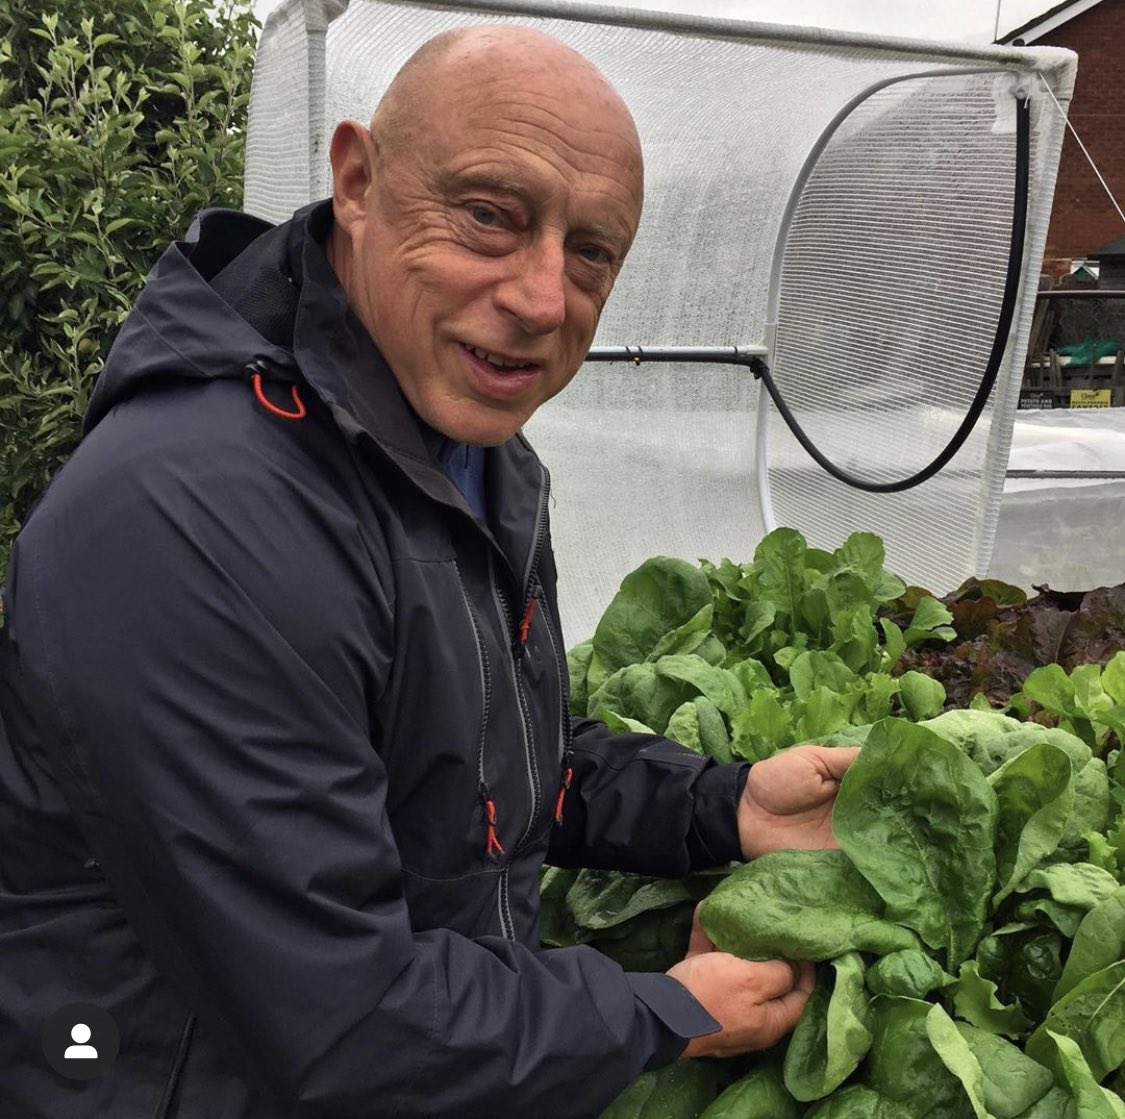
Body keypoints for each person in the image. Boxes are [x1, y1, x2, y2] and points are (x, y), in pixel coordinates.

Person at [0, 24, 858, 1118]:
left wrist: (727, 808)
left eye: (591, 252)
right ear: (356, 181)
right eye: (490, 216)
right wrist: (664, 1012)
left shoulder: (462, 454)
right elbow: (344, 1026)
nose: (544, 299)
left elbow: (471, 764)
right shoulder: (192, 514)